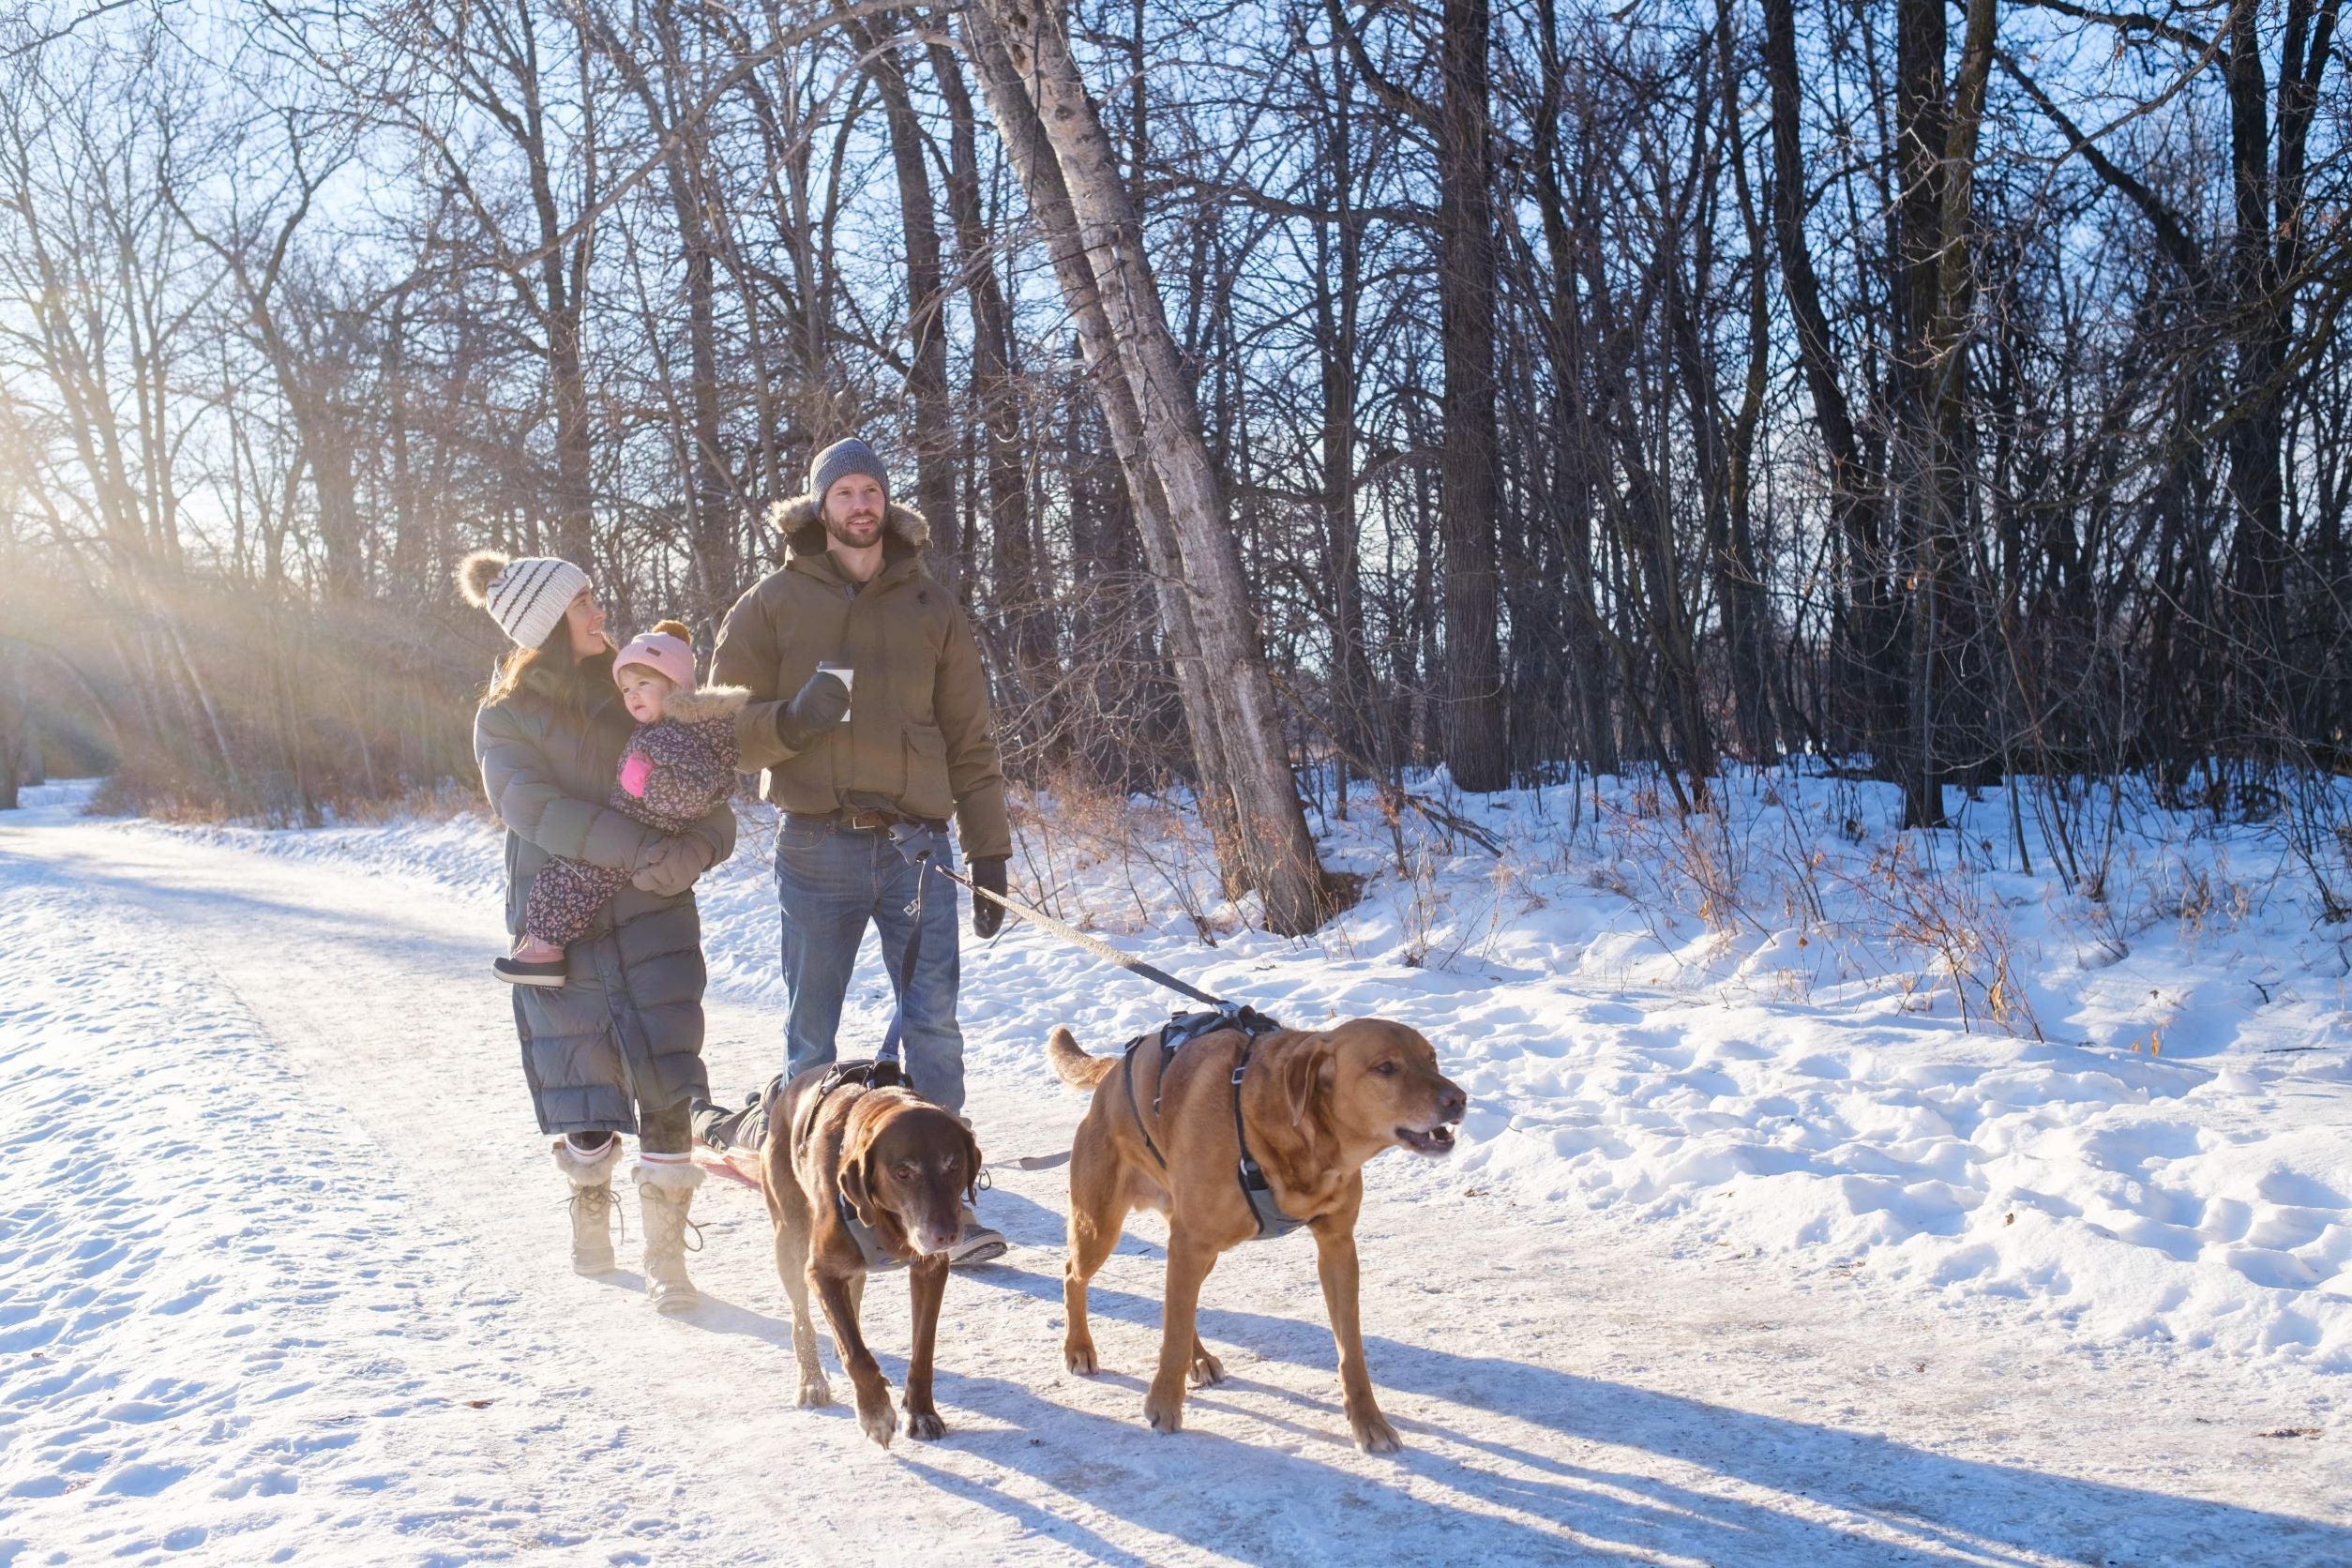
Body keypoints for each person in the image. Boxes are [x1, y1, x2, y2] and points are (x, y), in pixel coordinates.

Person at [701, 436, 1013, 1263]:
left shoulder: (932, 607)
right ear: (820, 507)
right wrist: (794, 720)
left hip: (917, 847)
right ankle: (816, 1197)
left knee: (933, 1025)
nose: (860, 505)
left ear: (886, 503)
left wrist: (990, 855)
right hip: (817, 845)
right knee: (814, 1034)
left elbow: (971, 741)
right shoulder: (770, 604)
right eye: (844, 493)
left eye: (871, 489)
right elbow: (722, 730)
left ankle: (955, 1206)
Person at [459, 551, 736, 1313]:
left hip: (655, 913)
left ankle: (667, 1262)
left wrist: (701, 848)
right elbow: (532, 810)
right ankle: (588, 1201)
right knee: (583, 1091)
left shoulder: (641, 691)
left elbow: (710, 793)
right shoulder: (504, 716)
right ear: (547, 623)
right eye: (583, 601)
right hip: (561, 919)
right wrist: (644, 851)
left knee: (667, 1081)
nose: (601, 611)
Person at [495, 621, 747, 987]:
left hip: (645, 831)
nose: (632, 696)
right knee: (566, 876)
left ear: (676, 685)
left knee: (571, 878)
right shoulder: (665, 725)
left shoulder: (678, 733)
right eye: (626, 688)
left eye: (644, 684)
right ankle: (542, 945)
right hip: (634, 826)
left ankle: (545, 949)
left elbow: (698, 793)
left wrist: (645, 783)